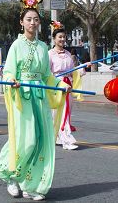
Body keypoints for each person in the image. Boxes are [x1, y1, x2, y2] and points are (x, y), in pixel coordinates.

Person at [0, 0, 70, 201]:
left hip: (39, 97)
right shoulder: (16, 46)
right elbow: (8, 71)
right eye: (29, 19)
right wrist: (11, 80)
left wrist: (61, 85)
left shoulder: (42, 47)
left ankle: (30, 183)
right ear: (22, 22)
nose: (32, 23)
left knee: (40, 140)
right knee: (24, 140)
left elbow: (47, 75)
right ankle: (10, 174)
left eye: (36, 19)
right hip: (22, 96)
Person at [48, 21, 87, 150]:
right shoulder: (49, 54)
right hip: (57, 85)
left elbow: (72, 71)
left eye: (64, 37)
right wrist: (57, 84)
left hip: (68, 85)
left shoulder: (69, 54)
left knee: (66, 112)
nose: (62, 39)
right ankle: (64, 139)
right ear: (54, 39)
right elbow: (47, 73)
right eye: (59, 37)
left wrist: (81, 69)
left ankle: (62, 137)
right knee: (58, 113)